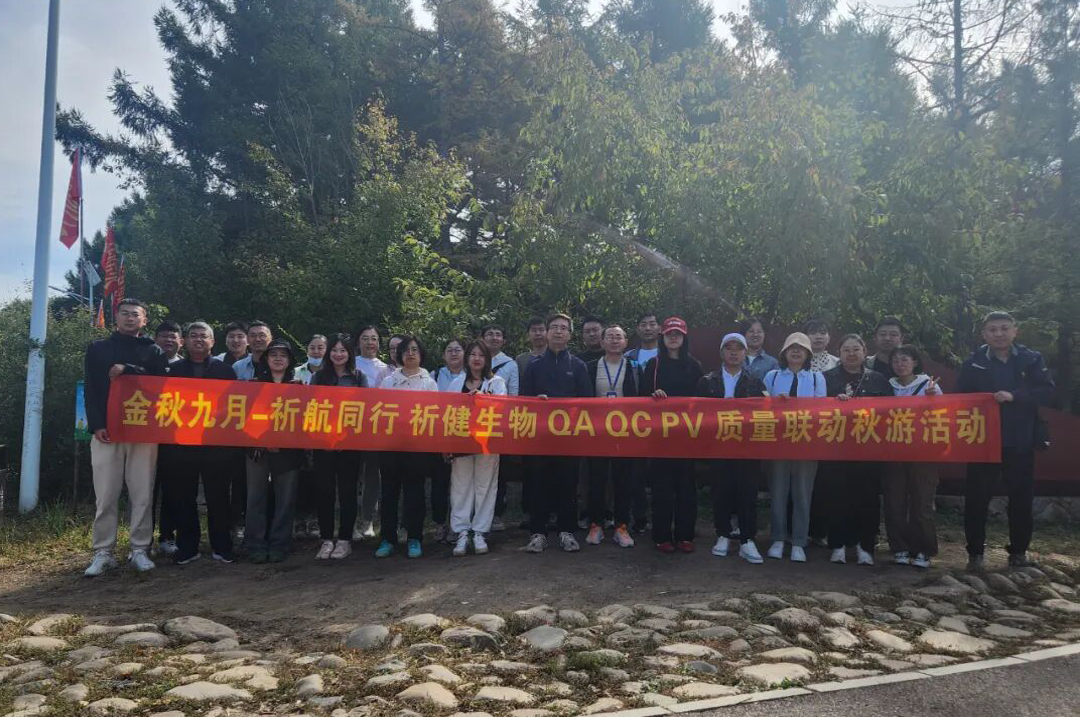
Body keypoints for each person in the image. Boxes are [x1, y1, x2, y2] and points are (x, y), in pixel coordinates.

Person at [959, 312, 1054, 571]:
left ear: (1015, 331)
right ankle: (975, 554)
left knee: (1021, 499)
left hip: (1020, 440)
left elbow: (1047, 392)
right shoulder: (973, 363)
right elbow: (960, 398)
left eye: (1004, 328)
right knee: (976, 500)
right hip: (983, 442)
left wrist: (1014, 396)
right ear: (984, 334)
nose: (998, 334)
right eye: (992, 329)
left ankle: (1019, 552)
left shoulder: (1031, 359)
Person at [83, 298, 169, 576]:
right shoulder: (98, 349)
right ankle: (103, 551)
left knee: (142, 492)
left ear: (144, 321)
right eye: (125, 314)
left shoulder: (154, 350)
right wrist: (97, 424)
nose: (130, 318)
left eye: (135, 314)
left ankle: (139, 548)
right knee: (106, 493)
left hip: (143, 430)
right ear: (116, 317)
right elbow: (91, 389)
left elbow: (160, 386)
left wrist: (129, 369)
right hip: (107, 431)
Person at [160, 321, 238, 564]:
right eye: (193, 335)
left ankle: (222, 546)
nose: (198, 339)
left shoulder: (225, 371)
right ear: (185, 341)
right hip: (181, 446)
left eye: (204, 336)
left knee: (219, 498)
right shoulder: (174, 371)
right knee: (184, 497)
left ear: (212, 341)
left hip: (217, 446)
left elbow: (234, 406)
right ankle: (187, 547)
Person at [521, 313, 593, 553]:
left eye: (563, 328)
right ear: (547, 332)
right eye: (554, 327)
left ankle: (567, 532)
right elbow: (523, 400)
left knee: (568, 485)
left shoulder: (578, 366)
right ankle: (538, 533)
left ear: (570, 335)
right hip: (540, 437)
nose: (559, 331)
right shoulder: (534, 366)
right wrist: (536, 402)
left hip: (569, 438)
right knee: (538, 485)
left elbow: (587, 402)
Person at [696, 332, 767, 564]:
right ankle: (723, 534)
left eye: (739, 348)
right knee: (721, 491)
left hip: (747, 447)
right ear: (721, 352)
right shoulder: (707, 381)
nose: (734, 352)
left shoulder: (755, 381)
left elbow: (765, 413)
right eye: (729, 348)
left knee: (748, 492)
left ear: (745, 353)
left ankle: (747, 539)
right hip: (718, 446)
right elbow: (698, 415)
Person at [823, 334, 893, 566]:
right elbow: (814, 410)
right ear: (839, 353)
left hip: (869, 448)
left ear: (865, 352)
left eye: (856, 349)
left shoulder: (878, 380)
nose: (851, 354)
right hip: (836, 448)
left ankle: (866, 546)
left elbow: (892, 413)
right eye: (846, 350)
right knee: (837, 496)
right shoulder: (826, 378)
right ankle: (837, 544)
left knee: (867, 497)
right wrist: (833, 403)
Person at [640, 317, 704, 554]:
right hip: (660, 438)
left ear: (684, 338)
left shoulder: (695, 366)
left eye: (678, 334)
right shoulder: (653, 365)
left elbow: (703, 400)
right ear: (663, 337)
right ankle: (662, 536)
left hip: (687, 437)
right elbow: (640, 398)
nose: (673, 338)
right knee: (662, 489)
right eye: (669, 334)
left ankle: (685, 536)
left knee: (686, 489)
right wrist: (653, 395)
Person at [763, 332, 826, 562]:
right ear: (784, 353)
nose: (796, 351)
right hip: (777, 444)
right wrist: (774, 403)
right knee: (778, 492)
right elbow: (761, 408)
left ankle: (799, 541)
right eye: (792, 348)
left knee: (802, 493)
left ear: (808, 354)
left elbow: (822, 411)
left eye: (801, 348)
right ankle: (778, 538)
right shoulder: (772, 376)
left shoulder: (817, 378)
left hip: (806, 444)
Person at [377, 336, 439, 559]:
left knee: (415, 493)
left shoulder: (429, 383)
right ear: (399, 355)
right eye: (406, 350)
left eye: (414, 350)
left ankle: (414, 538)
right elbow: (379, 412)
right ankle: (387, 538)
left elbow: (434, 415)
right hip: (390, 447)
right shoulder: (388, 382)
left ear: (421, 354)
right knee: (389, 493)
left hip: (417, 448)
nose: (410, 354)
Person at [245, 339, 305, 563]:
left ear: (290, 361)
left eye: (283, 355)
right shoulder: (252, 385)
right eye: (273, 355)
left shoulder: (299, 387)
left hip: (288, 452)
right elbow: (243, 417)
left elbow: (303, 421)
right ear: (266, 359)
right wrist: (263, 440)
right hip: (257, 451)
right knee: (255, 498)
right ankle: (255, 545)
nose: (278, 359)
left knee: (285, 500)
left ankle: (280, 544)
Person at [446, 341, 508, 556]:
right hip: (461, 442)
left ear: (487, 359)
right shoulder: (456, 382)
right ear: (467, 358)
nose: (477, 358)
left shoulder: (496, 382)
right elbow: (448, 412)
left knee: (485, 486)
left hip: (487, 443)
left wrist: (481, 400)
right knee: (460, 486)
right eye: (472, 354)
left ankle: (480, 531)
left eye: (481, 355)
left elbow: (502, 409)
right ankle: (461, 532)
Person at [311, 334, 368, 560]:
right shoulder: (318, 377)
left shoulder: (358, 377)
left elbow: (365, 409)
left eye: (343, 350)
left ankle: (345, 539)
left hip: (349, 446)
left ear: (350, 354)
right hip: (323, 444)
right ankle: (326, 539)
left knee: (347, 492)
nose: (338, 354)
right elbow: (311, 407)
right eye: (334, 350)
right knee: (324, 492)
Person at [885, 345, 942, 569]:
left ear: (915, 362)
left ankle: (923, 550)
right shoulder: (888, 386)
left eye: (904, 359)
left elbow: (943, 416)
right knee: (894, 501)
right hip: (893, 452)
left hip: (923, 452)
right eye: (895, 360)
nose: (900, 364)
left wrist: (932, 399)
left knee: (922, 503)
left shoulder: (929, 385)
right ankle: (899, 547)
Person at [585, 325, 639, 548]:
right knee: (596, 479)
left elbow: (643, 396)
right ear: (602, 342)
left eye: (619, 337)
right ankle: (596, 524)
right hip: (596, 430)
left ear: (626, 342)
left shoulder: (635, 368)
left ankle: (621, 526)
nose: (615, 341)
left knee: (623, 480)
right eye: (610, 337)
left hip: (625, 431)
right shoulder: (590, 367)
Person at [353, 324, 390, 539]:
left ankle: (367, 520)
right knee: (350, 474)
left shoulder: (385, 368)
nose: (370, 342)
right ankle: (350, 521)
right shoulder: (350, 364)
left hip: (375, 429)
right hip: (351, 427)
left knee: (372, 476)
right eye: (365, 338)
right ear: (358, 342)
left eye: (374, 338)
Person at [430, 338, 467, 542]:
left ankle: (457, 524)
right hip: (438, 435)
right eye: (449, 350)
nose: (454, 353)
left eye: (458, 350)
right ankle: (439, 523)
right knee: (440, 482)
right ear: (444, 354)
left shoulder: (471, 376)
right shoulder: (434, 375)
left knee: (461, 484)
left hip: (463, 435)